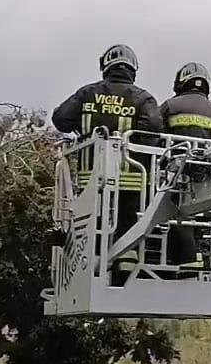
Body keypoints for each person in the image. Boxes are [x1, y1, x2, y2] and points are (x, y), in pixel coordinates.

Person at [51, 44, 163, 274]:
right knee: (127, 223)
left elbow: (61, 119)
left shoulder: (87, 94)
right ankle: (125, 263)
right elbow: (153, 128)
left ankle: (91, 261)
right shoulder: (143, 98)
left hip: (92, 178)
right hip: (131, 180)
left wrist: (84, 126)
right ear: (133, 69)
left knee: (92, 223)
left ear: (106, 67)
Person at [159, 62, 211, 276]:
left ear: (181, 81)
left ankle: (187, 260)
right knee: (194, 220)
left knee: (175, 218)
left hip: (173, 177)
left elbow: (153, 137)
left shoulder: (170, 106)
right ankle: (194, 257)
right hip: (206, 182)